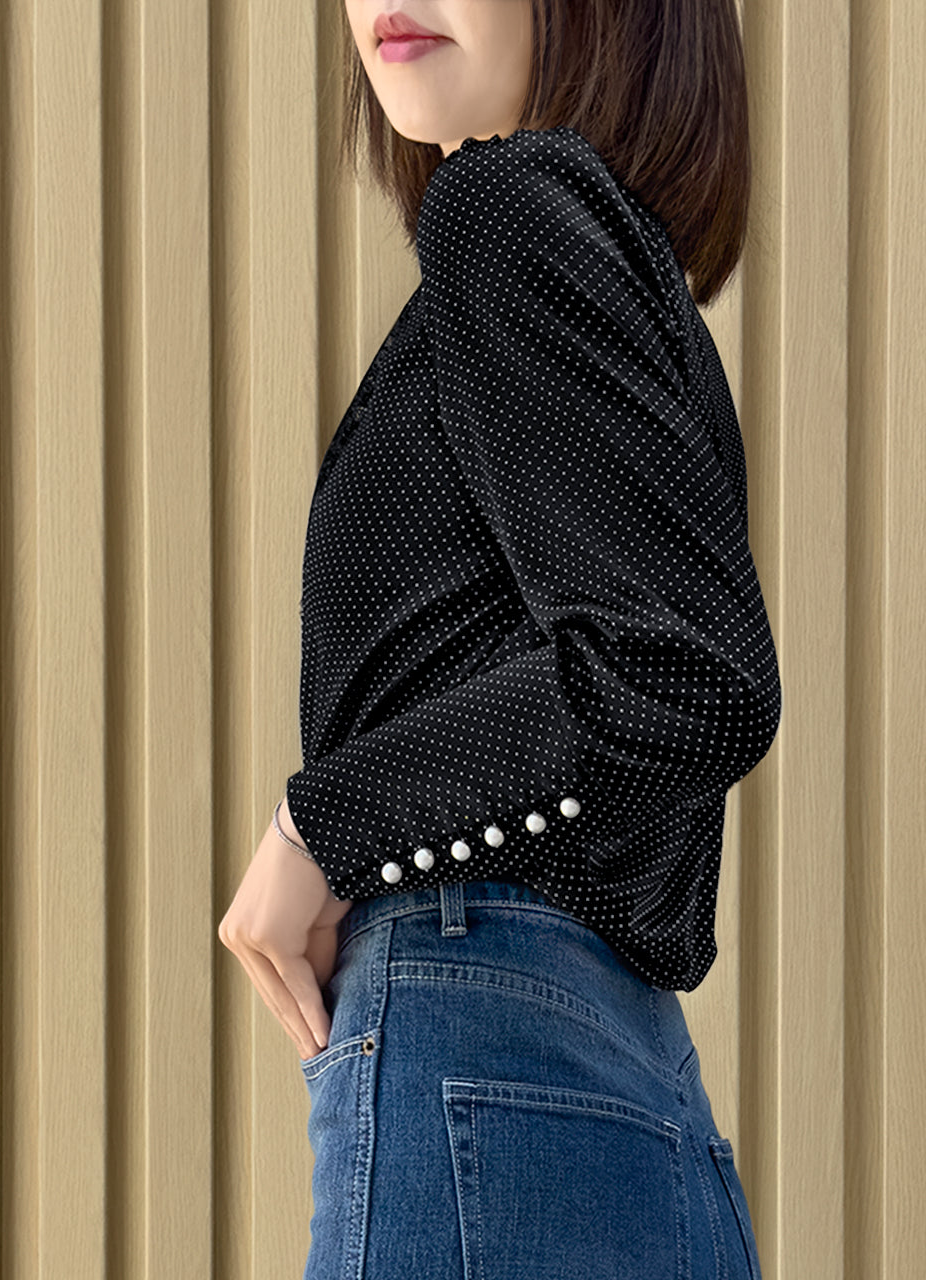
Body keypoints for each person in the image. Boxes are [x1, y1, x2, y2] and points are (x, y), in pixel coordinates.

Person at [219, 1, 780, 1276]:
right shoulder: (620, 278)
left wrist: (324, 826)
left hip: (481, 1040)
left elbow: (688, 675)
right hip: (638, 1097)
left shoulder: (506, 204)